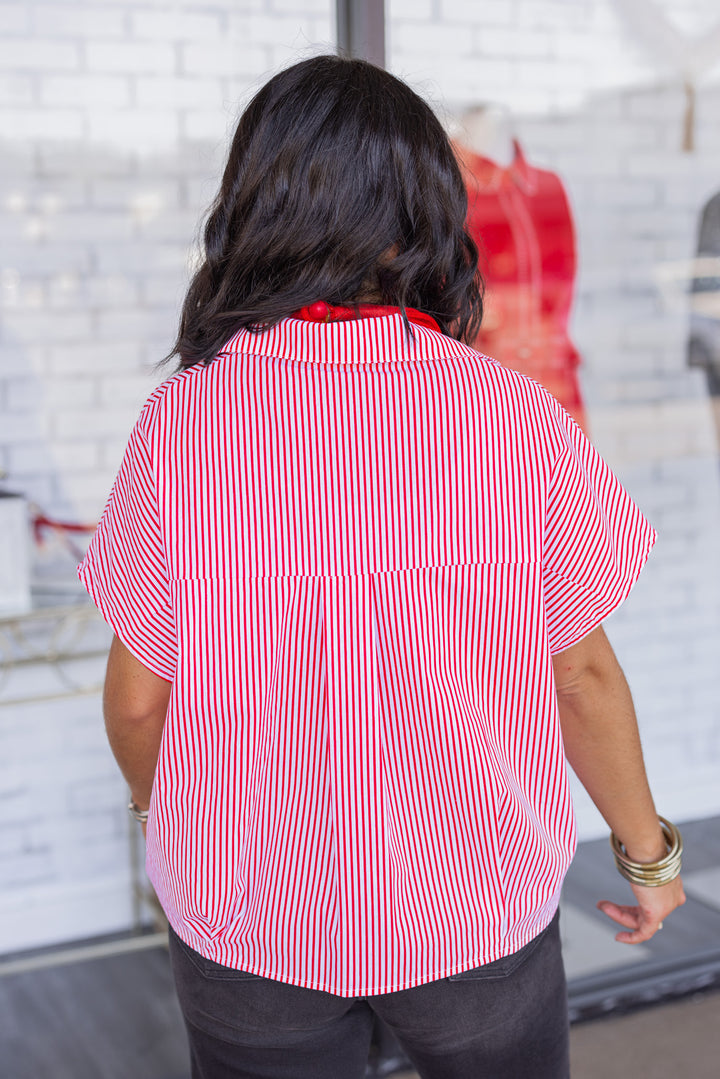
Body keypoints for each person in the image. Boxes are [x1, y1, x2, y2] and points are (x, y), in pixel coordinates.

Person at [78, 56, 685, 1079]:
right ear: (422, 215)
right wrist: (648, 855)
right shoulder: (509, 417)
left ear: (255, 205)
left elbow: (140, 707)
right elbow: (578, 674)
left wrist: (187, 816)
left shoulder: (180, 426)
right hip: (477, 912)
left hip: (248, 922)